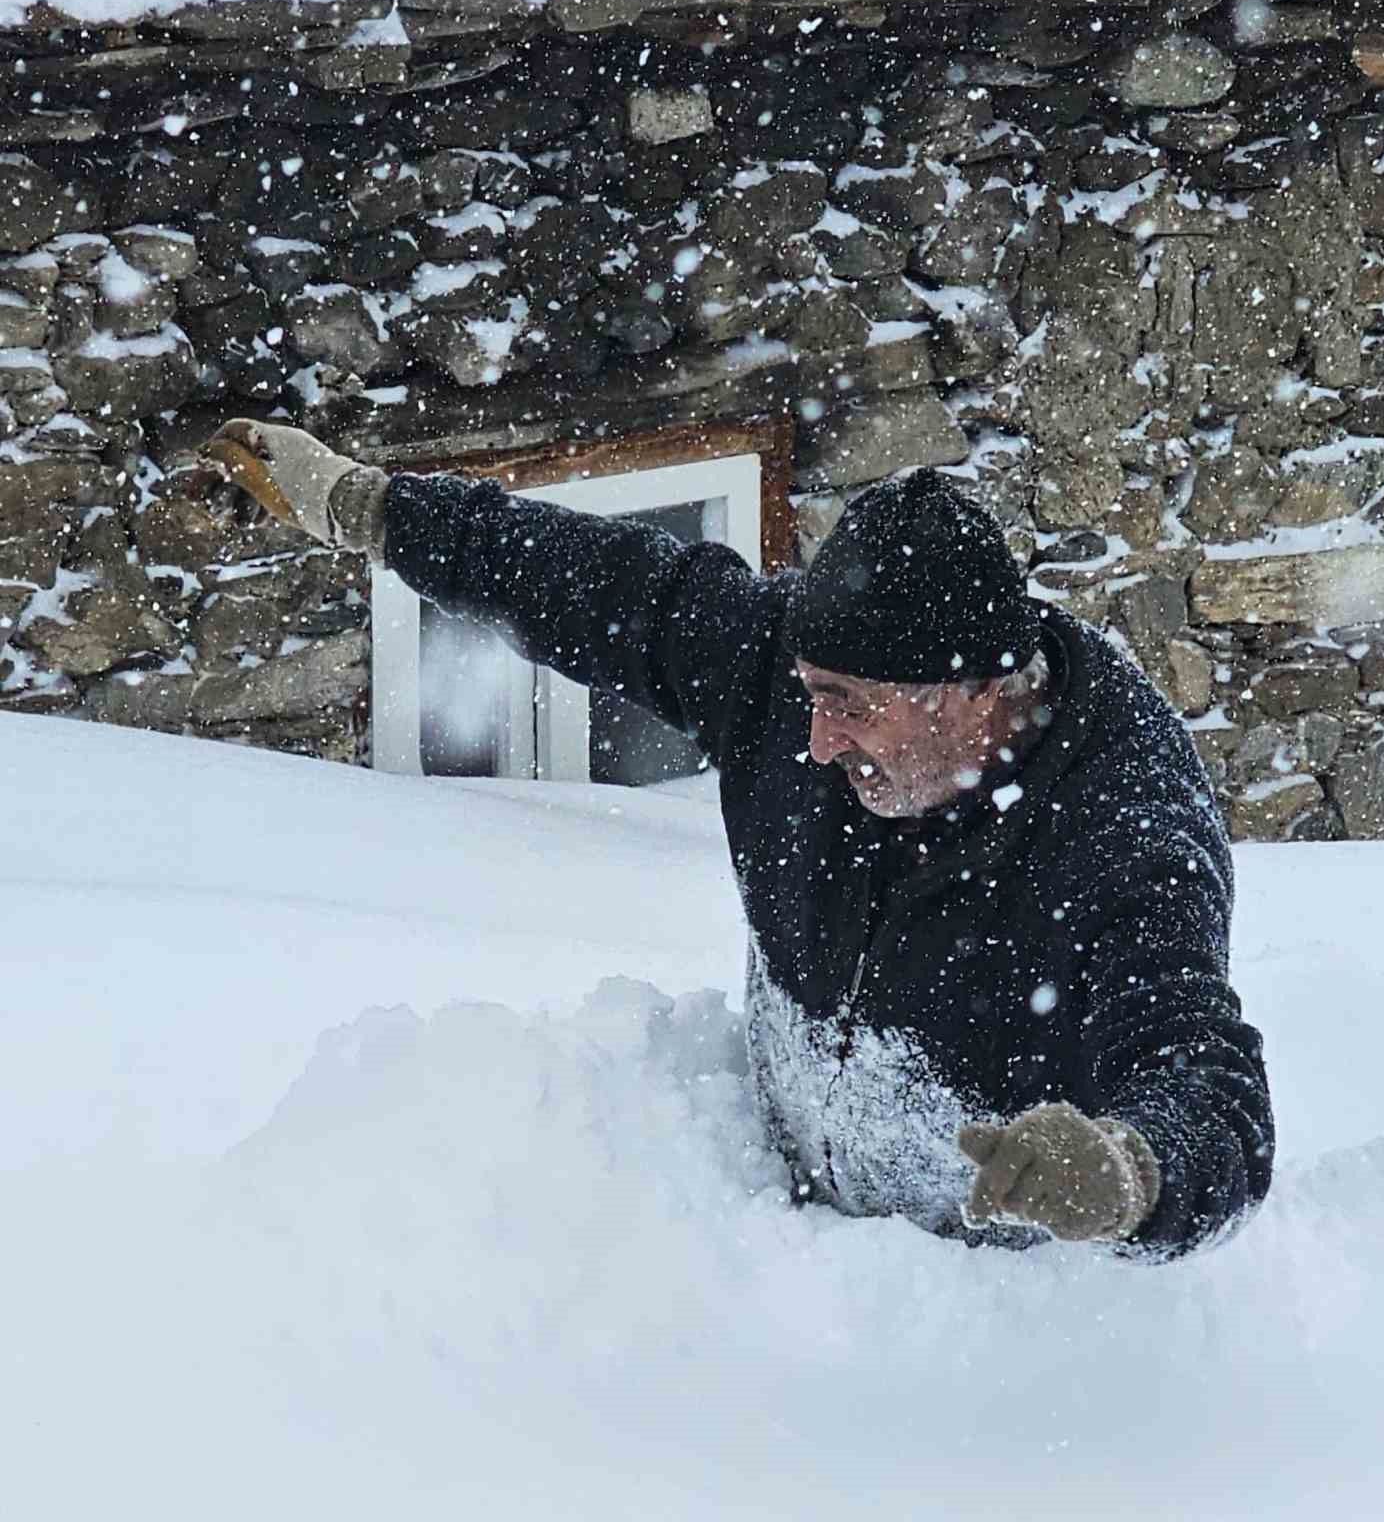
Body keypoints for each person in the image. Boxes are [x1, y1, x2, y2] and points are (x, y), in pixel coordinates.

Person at [204, 418, 1275, 1260]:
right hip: (772, 1257)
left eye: (851, 704)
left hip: (978, 1330)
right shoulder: (778, 665)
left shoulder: (1122, 830)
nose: (812, 740)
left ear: (976, 694)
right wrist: (363, 505)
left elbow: (1204, 1076)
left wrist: (1129, 1172)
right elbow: (581, 579)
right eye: (812, 695)